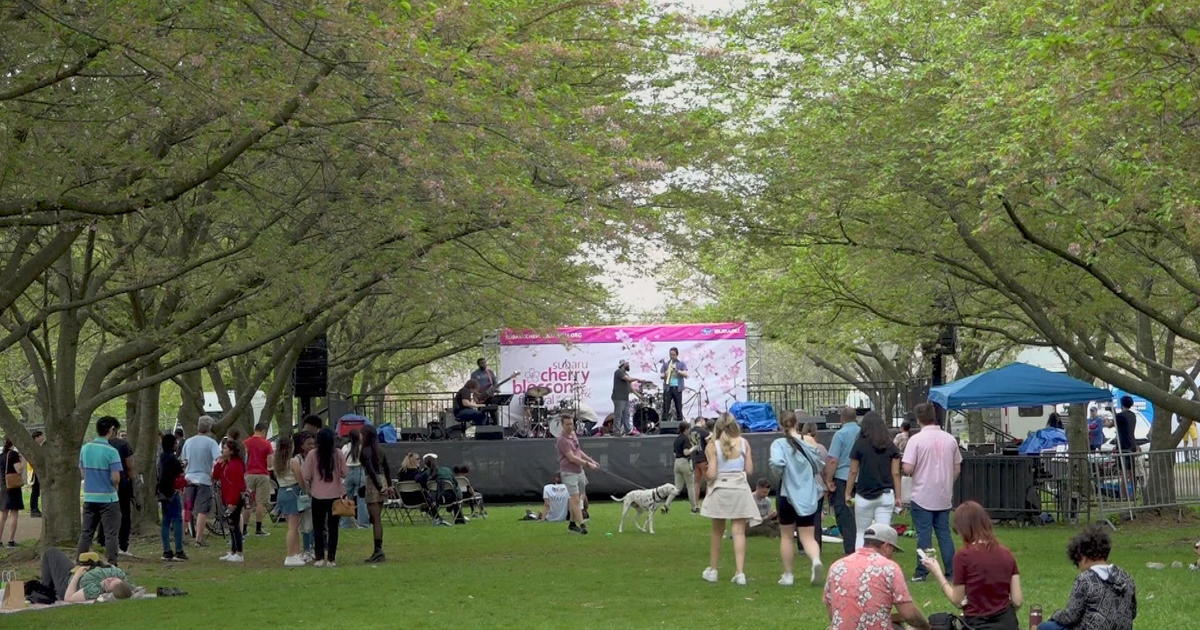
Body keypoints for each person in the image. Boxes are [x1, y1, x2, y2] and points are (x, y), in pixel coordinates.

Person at [921, 501, 1022, 630]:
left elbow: (957, 600)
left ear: (963, 529)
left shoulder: (963, 556)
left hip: (978, 625)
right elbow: (1017, 601)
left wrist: (938, 574)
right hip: (1008, 623)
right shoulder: (1007, 554)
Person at [824, 523, 930, 630]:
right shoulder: (889, 568)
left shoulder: (837, 566)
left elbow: (830, 607)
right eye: (893, 550)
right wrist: (926, 626)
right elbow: (909, 614)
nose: (892, 555)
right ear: (886, 546)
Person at [903, 402, 962, 582]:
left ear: (919, 419)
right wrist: (947, 481)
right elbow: (957, 468)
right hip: (943, 495)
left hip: (922, 494)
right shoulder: (949, 439)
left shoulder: (916, 440)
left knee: (924, 535)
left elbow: (908, 467)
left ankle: (922, 572)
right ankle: (952, 572)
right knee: (944, 534)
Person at [1038, 525, 1136, 630]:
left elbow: (1071, 616)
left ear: (1083, 558)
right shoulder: (1126, 578)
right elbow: (1133, 612)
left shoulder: (1085, 579)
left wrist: (1055, 615)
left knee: (1045, 627)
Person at [700, 413, 759, 586]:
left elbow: (711, 474)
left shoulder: (712, 446)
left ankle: (713, 570)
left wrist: (705, 474)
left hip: (720, 489)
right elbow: (749, 469)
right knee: (739, 532)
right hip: (739, 488)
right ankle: (740, 573)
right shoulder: (743, 443)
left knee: (717, 532)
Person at [769, 412, 825, 586]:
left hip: (787, 495)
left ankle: (788, 574)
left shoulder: (778, 444)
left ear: (780, 425)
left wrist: (781, 470)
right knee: (808, 536)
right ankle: (815, 560)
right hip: (808, 495)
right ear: (797, 424)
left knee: (786, 536)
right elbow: (819, 464)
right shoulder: (809, 442)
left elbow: (777, 464)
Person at [847, 411, 902, 550]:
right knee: (883, 534)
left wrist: (847, 493)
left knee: (861, 532)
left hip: (864, 494)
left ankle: (860, 564)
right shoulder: (890, 445)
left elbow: (853, 471)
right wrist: (899, 496)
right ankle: (881, 565)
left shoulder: (859, 444)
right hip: (886, 494)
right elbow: (895, 473)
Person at [78, 416, 123, 565]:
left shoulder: (85, 448)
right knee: (111, 534)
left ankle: (81, 564)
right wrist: (113, 484)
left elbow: (82, 470)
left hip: (90, 497)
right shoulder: (111, 451)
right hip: (108, 498)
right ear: (111, 430)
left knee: (86, 533)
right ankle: (112, 563)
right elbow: (116, 477)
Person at [303, 427, 347, 567]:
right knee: (333, 528)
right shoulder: (338, 453)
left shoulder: (312, 454)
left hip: (317, 495)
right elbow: (344, 473)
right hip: (335, 495)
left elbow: (306, 475)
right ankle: (331, 559)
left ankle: (319, 557)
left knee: (318, 527)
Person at [824, 406, 861, 555]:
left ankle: (851, 549)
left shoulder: (840, 434)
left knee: (845, 515)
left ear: (842, 418)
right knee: (860, 515)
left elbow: (833, 460)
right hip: (861, 478)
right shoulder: (863, 433)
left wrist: (828, 479)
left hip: (843, 478)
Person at [181, 415, 223, 547]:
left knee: (186, 508)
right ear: (209, 428)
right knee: (202, 510)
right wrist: (214, 473)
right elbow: (219, 460)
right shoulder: (211, 443)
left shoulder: (188, 442)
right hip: (204, 479)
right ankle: (199, 539)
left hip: (189, 479)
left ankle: (182, 535)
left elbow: (183, 460)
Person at [35, 548, 134, 603]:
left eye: (108, 584)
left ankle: (45, 591)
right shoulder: (121, 579)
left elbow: (68, 598)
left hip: (67, 586)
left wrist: (77, 575)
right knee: (53, 554)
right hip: (81, 573)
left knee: (51, 553)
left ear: (107, 592)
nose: (108, 579)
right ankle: (47, 589)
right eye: (113, 579)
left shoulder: (94, 590)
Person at [556, 414, 599, 535]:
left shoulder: (573, 435)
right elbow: (571, 457)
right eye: (567, 424)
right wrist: (587, 464)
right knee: (574, 499)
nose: (570, 426)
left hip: (579, 471)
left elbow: (578, 451)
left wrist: (591, 460)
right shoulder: (561, 440)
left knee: (580, 497)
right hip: (569, 473)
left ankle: (572, 524)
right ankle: (582, 525)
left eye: (571, 424)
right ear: (562, 425)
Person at [98, 417, 134, 557]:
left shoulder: (97, 446)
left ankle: (102, 542)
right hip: (122, 483)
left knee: (103, 514)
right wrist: (131, 478)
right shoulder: (123, 445)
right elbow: (130, 465)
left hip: (103, 483)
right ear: (114, 429)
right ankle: (123, 545)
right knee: (124, 514)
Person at [360, 424, 392, 563]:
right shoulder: (380, 450)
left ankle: (378, 550)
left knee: (375, 518)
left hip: (373, 482)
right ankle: (378, 549)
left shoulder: (365, 451)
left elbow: (370, 470)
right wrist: (388, 485)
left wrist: (378, 487)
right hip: (382, 479)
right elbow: (387, 468)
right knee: (377, 517)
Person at [212, 438, 247, 562]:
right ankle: (233, 550)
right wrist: (219, 464)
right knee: (231, 525)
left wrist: (232, 502)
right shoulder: (226, 463)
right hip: (227, 497)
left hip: (235, 498)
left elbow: (236, 485)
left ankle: (239, 552)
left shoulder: (236, 464)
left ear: (231, 451)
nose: (222, 450)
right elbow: (216, 476)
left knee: (234, 524)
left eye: (225, 448)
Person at [156, 433, 188, 562]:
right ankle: (179, 550)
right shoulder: (172, 458)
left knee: (165, 521)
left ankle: (167, 550)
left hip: (163, 493)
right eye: (175, 443)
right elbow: (179, 472)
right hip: (172, 492)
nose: (176, 445)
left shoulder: (162, 457)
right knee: (177, 520)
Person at [274, 437, 305, 567]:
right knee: (293, 527)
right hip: (293, 492)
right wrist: (306, 490)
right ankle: (290, 555)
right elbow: (300, 479)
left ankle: (296, 553)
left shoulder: (277, 462)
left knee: (293, 526)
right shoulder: (293, 462)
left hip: (282, 491)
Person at [242, 421, 274, 537]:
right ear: (263, 431)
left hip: (249, 474)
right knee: (260, 502)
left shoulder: (246, 443)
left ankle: (244, 529)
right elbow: (270, 464)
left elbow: (244, 459)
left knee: (248, 502)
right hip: (262, 474)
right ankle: (258, 528)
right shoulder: (267, 444)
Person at [340, 429, 365, 529]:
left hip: (348, 471)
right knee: (361, 498)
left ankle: (345, 524)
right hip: (359, 470)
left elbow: (342, 460)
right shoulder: (361, 447)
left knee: (347, 498)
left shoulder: (345, 447)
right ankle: (363, 523)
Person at [1, 439, 24, 547]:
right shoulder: (13, 454)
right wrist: (22, 461)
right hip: (13, 486)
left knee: (3, 514)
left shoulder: (1, 455)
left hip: (2, 486)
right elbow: (19, 469)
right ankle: (11, 540)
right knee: (13, 514)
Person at [659, 347, 689, 423]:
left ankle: (681, 425)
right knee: (666, 407)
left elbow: (686, 375)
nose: (672, 356)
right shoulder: (666, 364)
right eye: (670, 354)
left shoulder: (681, 363)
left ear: (677, 355)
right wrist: (665, 374)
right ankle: (664, 424)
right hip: (668, 388)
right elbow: (661, 376)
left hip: (677, 388)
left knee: (678, 407)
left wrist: (677, 370)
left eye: (673, 355)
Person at [671, 420, 697, 510]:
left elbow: (674, 454)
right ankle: (694, 507)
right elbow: (686, 452)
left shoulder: (676, 439)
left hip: (676, 463)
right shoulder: (685, 438)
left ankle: (666, 504)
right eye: (689, 429)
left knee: (677, 488)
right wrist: (694, 448)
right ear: (686, 429)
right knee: (690, 486)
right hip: (684, 462)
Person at [689, 417, 711, 513]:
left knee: (696, 483)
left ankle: (695, 505)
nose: (704, 423)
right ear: (701, 421)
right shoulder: (704, 432)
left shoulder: (690, 431)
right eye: (704, 421)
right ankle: (707, 504)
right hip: (703, 458)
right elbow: (709, 444)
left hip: (695, 458)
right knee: (709, 481)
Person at [612, 359, 638, 436]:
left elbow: (631, 389)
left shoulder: (626, 374)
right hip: (618, 397)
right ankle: (617, 431)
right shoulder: (618, 372)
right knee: (618, 415)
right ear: (624, 365)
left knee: (626, 415)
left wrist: (639, 395)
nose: (629, 365)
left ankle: (628, 430)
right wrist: (638, 379)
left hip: (625, 398)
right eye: (628, 364)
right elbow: (628, 380)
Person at [471, 358, 500, 425]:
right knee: (481, 413)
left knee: (493, 412)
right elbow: (472, 386)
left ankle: (496, 428)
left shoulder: (490, 372)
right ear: (478, 364)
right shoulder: (474, 374)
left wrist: (496, 389)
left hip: (490, 396)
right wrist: (476, 394)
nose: (484, 364)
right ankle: (481, 429)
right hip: (480, 397)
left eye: (485, 362)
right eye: (482, 363)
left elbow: (495, 383)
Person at [29, 429, 44, 518]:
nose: (43, 437)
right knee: (35, 491)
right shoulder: (33, 447)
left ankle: (35, 509)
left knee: (36, 491)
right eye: (41, 436)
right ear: (37, 437)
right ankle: (33, 509)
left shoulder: (38, 446)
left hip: (37, 471)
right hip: (34, 472)